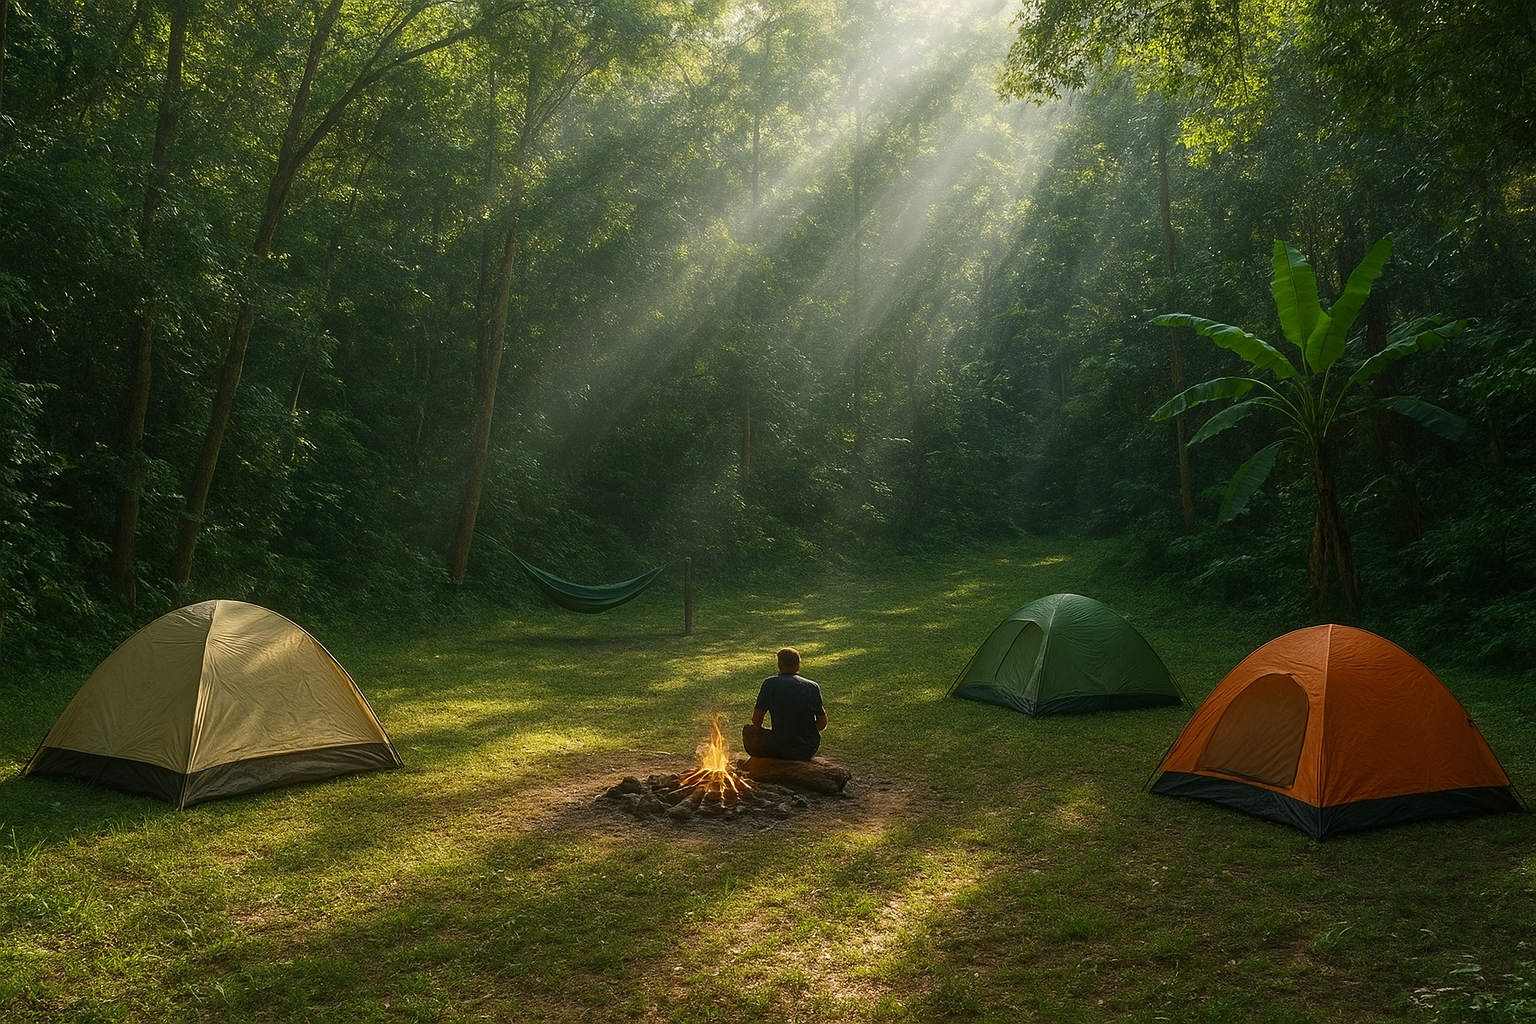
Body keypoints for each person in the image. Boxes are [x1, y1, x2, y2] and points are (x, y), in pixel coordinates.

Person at [742, 646, 827, 761]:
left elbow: (756, 719)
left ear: (779, 664)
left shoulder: (770, 684)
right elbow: (822, 723)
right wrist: (803, 731)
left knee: (748, 730)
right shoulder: (812, 686)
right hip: (808, 748)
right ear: (798, 665)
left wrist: (759, 732)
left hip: (780, 747)